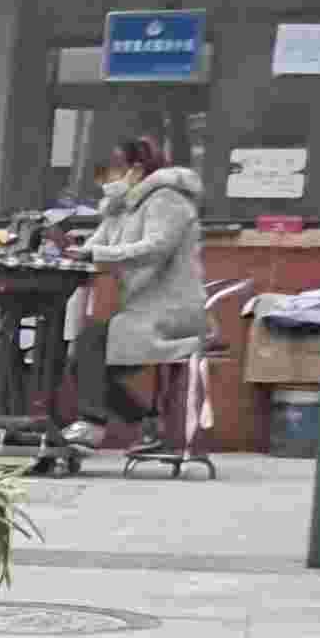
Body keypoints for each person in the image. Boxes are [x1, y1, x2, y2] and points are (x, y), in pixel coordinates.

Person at [76, 138, 214, 452]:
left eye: (110, 173)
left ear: (136, 170)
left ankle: (93, 426)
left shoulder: (167, 199)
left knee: (90, 348)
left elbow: (156, 248)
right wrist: (70, 251)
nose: (105, 182)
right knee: (84, 360)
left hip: (173, 311)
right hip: (142, 310)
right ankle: (147, 423)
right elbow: (94, 247)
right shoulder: (121, 207)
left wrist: (96, 254)